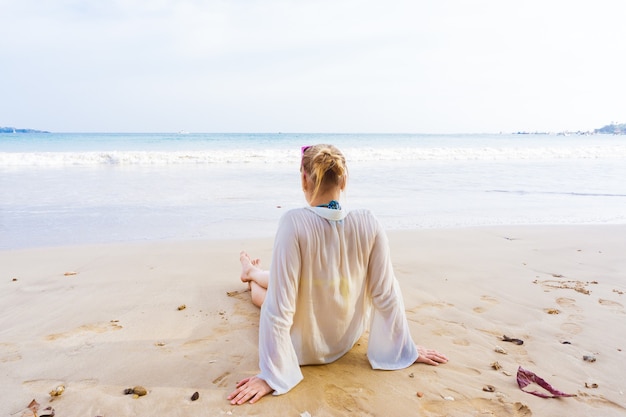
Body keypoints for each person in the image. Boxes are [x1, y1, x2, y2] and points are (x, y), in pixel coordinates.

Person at [227, 144, 448, 405]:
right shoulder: (370, 222)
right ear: (344, 180)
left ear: (303, 179)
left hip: (304, 349)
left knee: (265, 299)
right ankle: (251, 272)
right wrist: (403, 348)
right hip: (346, 338)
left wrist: (272, 375)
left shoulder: (294, 223)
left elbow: (280, 307)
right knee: (274, 289)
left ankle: (250, 272)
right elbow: (386, 294)